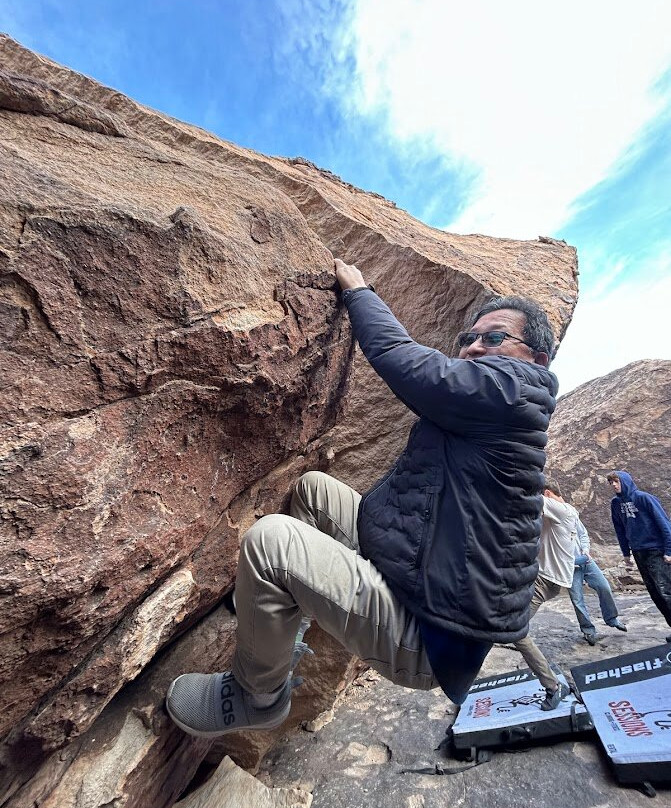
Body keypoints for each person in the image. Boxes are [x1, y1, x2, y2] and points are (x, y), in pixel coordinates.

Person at [165, 258, 558, 738]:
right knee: (314, 491)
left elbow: (401, 357)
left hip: (429, 635)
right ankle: (278, 623)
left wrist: (359, 291)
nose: (475, 347)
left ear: (537, 359)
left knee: (272, 542)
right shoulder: (503, 401)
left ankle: (257, 696)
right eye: (469, 338)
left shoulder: (511, 391)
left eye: (494, 338)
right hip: (415, 577)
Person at [512, 480, 576, 710]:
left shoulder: (560, 509)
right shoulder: (568, 513)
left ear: (547, 493)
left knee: (514, 630)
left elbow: (527, 499)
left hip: (544, 581)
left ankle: (553, 685)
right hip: (545, 579)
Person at [608, 471, 671, 643]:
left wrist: (669, 550)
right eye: (611, 482)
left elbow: (665, 524)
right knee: (655, 593)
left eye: (616, 481)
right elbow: (620, 529)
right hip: (638, 551)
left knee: (666, 591)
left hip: (656, 550)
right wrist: (626, 553)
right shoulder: (616, 504)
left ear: (625, 481)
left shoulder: (644, 498)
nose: (614, 485)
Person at [568, 516, 627, 645]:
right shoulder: (549, 523)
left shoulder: (570, 514)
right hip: (569, 566)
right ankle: (588, 630)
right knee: (577, 599)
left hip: (586, 560)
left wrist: (585, 550)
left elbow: (583, 534)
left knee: (604, 586)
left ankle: (612, 619)